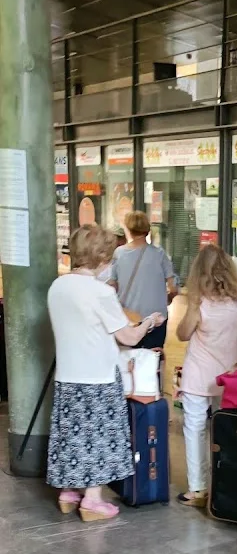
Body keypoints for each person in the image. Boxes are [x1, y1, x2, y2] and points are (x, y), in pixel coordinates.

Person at [47, 224, 166, 522]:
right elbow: (129, 337)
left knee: (72, 434)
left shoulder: (57, 287)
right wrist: (150, 322)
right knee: (98, 437)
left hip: (67, 376)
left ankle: (68, 492)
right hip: (98, 376)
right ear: (101, 256)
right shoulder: (100, 292)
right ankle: (92, 500)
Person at [175, 243, 237, 507]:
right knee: (225, 430)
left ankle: (198, 490)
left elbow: (182, 334)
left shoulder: (200, 303)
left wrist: (193, 309)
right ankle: (225, 483)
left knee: (195, 429)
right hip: (231, 378)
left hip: (199, 376)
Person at [108, 210, 178, 349]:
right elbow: (173, 287)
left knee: (129, 356)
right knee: (153, 356)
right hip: (156, 317)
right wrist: (169, 298)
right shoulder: (159, 254)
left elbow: (112, 285)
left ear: (129, 230)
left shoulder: (119, 254)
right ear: (147, 230)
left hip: (129, 318)